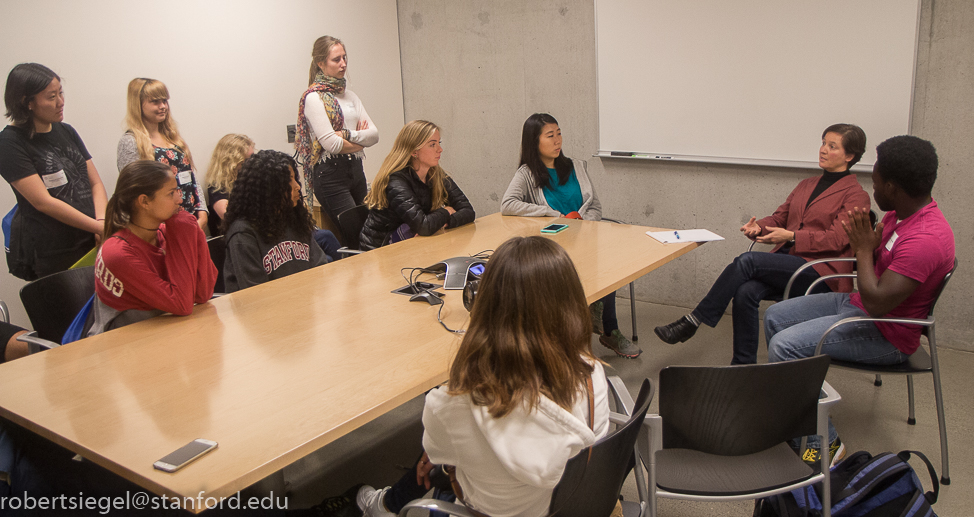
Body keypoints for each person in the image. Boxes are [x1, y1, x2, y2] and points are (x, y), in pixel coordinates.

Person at [354, 236, 610, 517]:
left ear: (482, 304)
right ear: (570, 301)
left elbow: (436, 452)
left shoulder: (449, 406)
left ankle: (384, 507)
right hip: (564, 505)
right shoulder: (592, 374)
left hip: (482, 510)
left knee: (442, 475)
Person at [765, 135, 954, 466]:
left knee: (784, 346)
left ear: (893, 187)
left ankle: (824, 442)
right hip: (859, 304)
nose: (872, 188)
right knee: (775, 317)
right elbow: (876, 271)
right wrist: (870, 246)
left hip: (887, 332)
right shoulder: (900, 215)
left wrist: (864, 247)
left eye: (877, 180)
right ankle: (797, 413)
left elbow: (879, 301)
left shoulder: (925, 239)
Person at [654, 123, 871, 365]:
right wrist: (760, 227)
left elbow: (837, 239)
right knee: (745, 291)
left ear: (849, 156)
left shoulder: (856, 195)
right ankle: (743, 365)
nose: (823, 150)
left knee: (748, 261)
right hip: (789, 263)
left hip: (820, 271)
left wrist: (791, 237)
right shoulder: (806, 185)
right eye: (823, 143)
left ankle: (694, 320)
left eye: (832, 146)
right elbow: (780, 218)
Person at [501, 113, 639, 358]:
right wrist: (552, 214)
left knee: (610, 262)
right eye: (550, 136)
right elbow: (508, 204)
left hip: (586, 237)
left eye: (559, 133)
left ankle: (610, 330)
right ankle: (568, 336)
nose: (557, 141)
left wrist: (585, 224)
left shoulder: (577, 166)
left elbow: (595, 206)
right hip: (554, 245)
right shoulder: (526, 174)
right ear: (535, 142)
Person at [0, 63, 107, 280]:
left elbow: (95, 183)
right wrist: (98, 227)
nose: (61, 102)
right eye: (51, 97)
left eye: (60, 93)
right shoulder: (9, 143)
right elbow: (43, 202)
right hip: (56, 252)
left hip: (93, 239)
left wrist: (103, 223)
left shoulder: (66, 130)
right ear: (26, 102)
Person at [89, 160, 217, 336]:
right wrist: (184, 228)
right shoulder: (117, 253)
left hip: (165, 331)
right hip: (125, 345)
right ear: (144, 201)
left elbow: (203, 293)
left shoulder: (168, 231)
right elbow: (182, 304)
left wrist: (192, 229)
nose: (180, 199)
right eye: (171, 193)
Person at [295, 35, 379, 227]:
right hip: (330, 175)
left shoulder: (350, 96)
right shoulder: (313, 98)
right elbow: (332, 145)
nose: (343, 64)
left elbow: (374, 135)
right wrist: (360, 141)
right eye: (336, 59)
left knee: (371, 229)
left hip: (356, 170)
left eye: (344, 57)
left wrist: (347, 135)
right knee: (355, 232)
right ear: (320, 63)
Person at [222, 150, 328, 293]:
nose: (297, 186)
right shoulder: (243, 233)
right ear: (269, 188)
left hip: (303, 302)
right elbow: (254, 292)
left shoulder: (294, 218)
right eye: (289, 180)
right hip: (267, 310)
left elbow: (319, 266)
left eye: (295, 178)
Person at [359, 120, 474, 250]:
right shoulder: (396, 181)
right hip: (382, 251)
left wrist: (444, 222)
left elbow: (468, 211)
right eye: (432, 145)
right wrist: (446, 211)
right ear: (414, 151)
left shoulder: (435, 173)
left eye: (439, 143)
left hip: (414, 245)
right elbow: (423, 226)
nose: (440, 149)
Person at [117, 78, 208, 231]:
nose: (163, 106)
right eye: (155, 102)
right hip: (161, 228)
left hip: (191, 221)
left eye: (164, 101)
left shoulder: (173, 138)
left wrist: (203, 212)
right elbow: (132, 193)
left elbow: (190, 176)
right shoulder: (131, 142)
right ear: (138, 104)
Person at [204, 133, 254, 236]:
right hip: (234, 237)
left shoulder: (250, 178)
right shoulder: (217, 185)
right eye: (246, 161)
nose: (252, 164)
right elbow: (228, 215)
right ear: (233, 162)